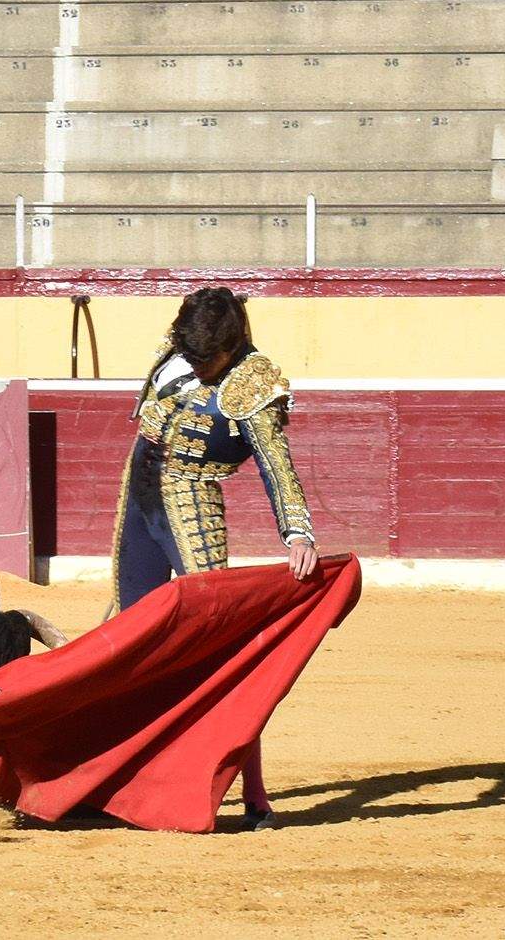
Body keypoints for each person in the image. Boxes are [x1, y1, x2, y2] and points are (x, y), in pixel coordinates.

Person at [109, 286, 317, 831]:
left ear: (235, 344)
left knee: (222, 650)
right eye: (194, 356)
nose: (199, 367)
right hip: (141, 495)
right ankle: (125, 774)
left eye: (210, 360)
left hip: (193, 501)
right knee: (130, 639)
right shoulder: (180, 346)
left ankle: (254, 793)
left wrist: (296, 533)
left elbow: (277, 463)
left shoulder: (253, 382)